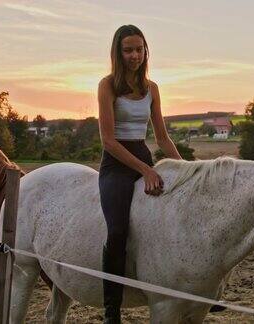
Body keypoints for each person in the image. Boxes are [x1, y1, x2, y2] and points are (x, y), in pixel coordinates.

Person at [97, 24, 182, 324]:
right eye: (128, 50)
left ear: (146, 51)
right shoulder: (107, 85)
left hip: (144, 158)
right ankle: (112, 309)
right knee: (118, 231)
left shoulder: (152, 88)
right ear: (118, 53)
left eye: (139, 49)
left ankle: (197, 290)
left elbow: (161, 138)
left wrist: (188, 170)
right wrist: (145, 170)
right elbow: (108, 140)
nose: (134, 55)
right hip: (116, 166)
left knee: (183, 212)